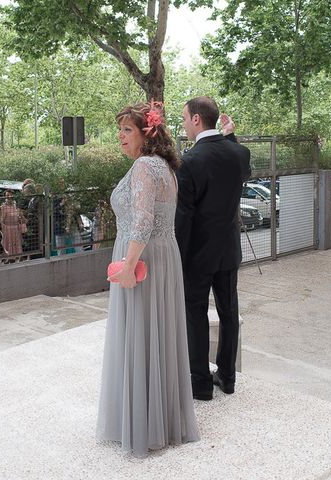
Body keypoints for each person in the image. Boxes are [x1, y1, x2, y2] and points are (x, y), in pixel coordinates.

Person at [97, 102, 199, 457]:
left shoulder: (144, 166)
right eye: (120, 130)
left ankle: (143, 423)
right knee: (158, 335)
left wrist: (127, 266)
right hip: (164, 254)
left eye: (127, 130)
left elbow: (141, 222)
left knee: (141, 332)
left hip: (143, 258)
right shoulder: (165, 167)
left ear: (146, 133)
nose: (120, 136)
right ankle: (161, 419)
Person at [175, 96, 251, 400]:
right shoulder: (238, 153)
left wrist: (177, 259)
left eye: (183, 118)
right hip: (228, 250)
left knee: (195, 314)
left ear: (196, 119)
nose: (182, 124)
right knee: (229, 311)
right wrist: (230, 135)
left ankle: (201, 383)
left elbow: (184, 218)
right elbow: (242, 169)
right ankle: (228, 377)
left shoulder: (190, 161)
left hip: (197, 255)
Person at [0, 189, 24, 257]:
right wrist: (5, 230)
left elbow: (19, 217)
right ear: (5, 197)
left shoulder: (15, 206)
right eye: (7, 195)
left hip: (16, 229)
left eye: (11, 195)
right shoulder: (3, 207)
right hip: (7, 231)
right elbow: (1, 220)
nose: (9, 197)